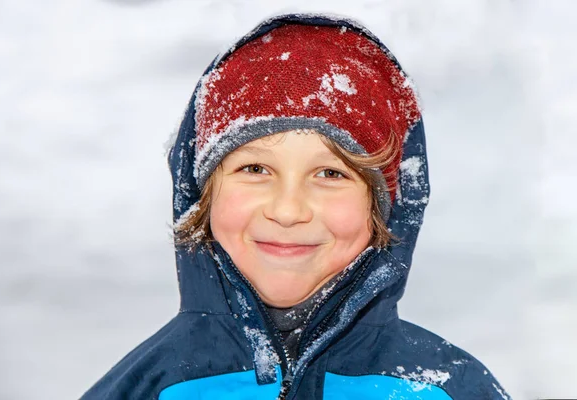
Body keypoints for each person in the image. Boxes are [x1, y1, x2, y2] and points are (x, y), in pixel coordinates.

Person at [82, 13, 511, 400]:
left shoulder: (444, 389)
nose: (288, 211)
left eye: (331, 174)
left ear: (384, 206)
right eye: (255, 168)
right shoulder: (151, 387)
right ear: (203, 192)